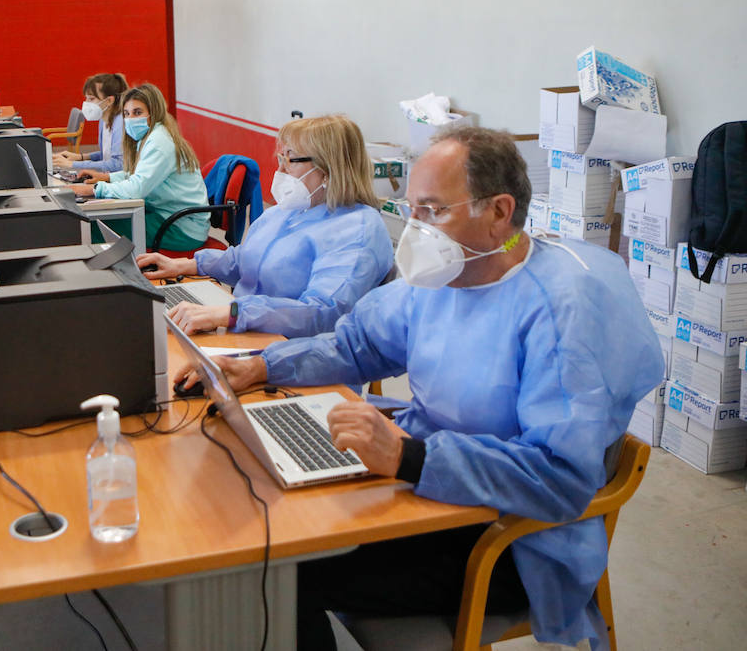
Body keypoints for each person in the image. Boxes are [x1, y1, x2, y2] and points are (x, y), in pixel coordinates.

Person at [177, 125, 665, 651]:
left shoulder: (560, 311)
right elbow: (357, 346)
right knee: (267, 518)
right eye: (411, 209)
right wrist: (264, 366)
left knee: (280, 569)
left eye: (433, 210)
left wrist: (409, 457)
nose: (416, 229)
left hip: (508, 536)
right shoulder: (446, 278)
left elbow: (560, 477)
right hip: (430, 488)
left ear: (499, 211)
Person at [137, 115, 394, 338]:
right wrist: (184, 264)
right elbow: (245, 258)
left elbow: (321, 312)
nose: (280, 169)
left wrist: (233, 313)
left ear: (328, 169)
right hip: (248, 329)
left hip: (297, 352)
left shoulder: (357, 230)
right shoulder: (289, 211)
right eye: (281, 158)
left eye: (290, 160)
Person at [71, 83, 211, 252]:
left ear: (154, 112)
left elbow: (136, 189)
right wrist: (107, 178)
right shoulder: (153, 135)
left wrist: (94, 189)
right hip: (166, 216)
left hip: (180, 228)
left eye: (138, 112)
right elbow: (140, 175)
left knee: (91, 227)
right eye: (126, 114)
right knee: (95, 223)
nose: (130, 119)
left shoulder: (159, 142)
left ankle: (118, 276)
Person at [52, 72, 127, 174]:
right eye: (86, 98)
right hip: (107, 177)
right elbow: (106, 155)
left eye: (91, 99)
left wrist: (73, 164)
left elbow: (118, 164)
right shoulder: (103, 119)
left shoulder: (120, 123)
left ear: (109, 100)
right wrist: (80, 157)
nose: (86, 103)